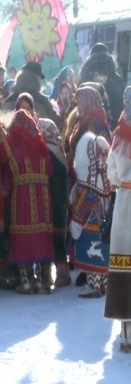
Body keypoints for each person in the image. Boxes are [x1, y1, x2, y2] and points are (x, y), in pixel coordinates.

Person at [7, 109, 55, 294]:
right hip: (43, 195)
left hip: (22, 196)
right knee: (42, 235)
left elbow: (9, 171)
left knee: (23, 236)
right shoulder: (41, 144)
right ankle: (44, 281)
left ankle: (26, 281)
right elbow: (49, 169)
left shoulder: (13, 143)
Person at [69, 127, 111, 298]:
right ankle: (104, 284)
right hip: (104, 225)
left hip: (90, 225)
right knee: (102, 253)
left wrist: (76, 220)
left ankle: (93, 284)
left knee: (91, 253)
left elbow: (85, 201)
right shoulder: (104, 179)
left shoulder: (90, 182)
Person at [105, 86, 131, 352]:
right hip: (125, 202)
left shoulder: (118, 136)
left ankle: (126, 331)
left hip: (124, 202)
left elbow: (112, 173)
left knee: (125, 263)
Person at [37, 117, 69, 287]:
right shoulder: (58, 147)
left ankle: (48, 274)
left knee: (50, 236)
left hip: (51, 198)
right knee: (58, 236)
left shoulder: (46, 150)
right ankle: (62, 272)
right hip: (61, 199)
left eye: (40, 128)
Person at [79, 43, 125, 130]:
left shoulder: (85, 78)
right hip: (115, 127)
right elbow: (123, 107)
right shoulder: (118, 80)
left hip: (90, 128)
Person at [2, 62, 61, 128]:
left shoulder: (8, 101)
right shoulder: (43, 101)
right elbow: (57, 122)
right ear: (36, 78)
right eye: (39, 78)